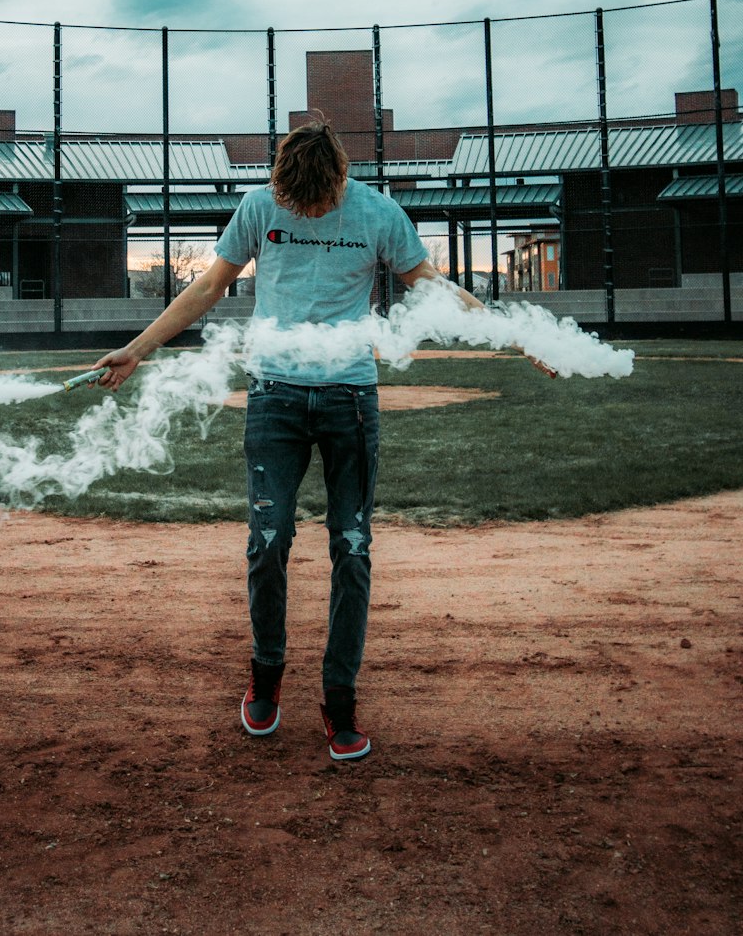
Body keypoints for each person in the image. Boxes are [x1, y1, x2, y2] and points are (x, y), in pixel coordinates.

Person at [94, 119, 545, 762]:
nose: (305, 211)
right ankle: (267, 675)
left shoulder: (378, 212)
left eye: (318, 202)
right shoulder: (259, 206)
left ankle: (339, 702)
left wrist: (521, 336)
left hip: (349, 401)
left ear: (339, 180)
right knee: (267, 541)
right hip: (274, 398)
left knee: (352, 550)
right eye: (294, 203)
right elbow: (207, 286)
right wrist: (138, 349)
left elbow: (435, 289)